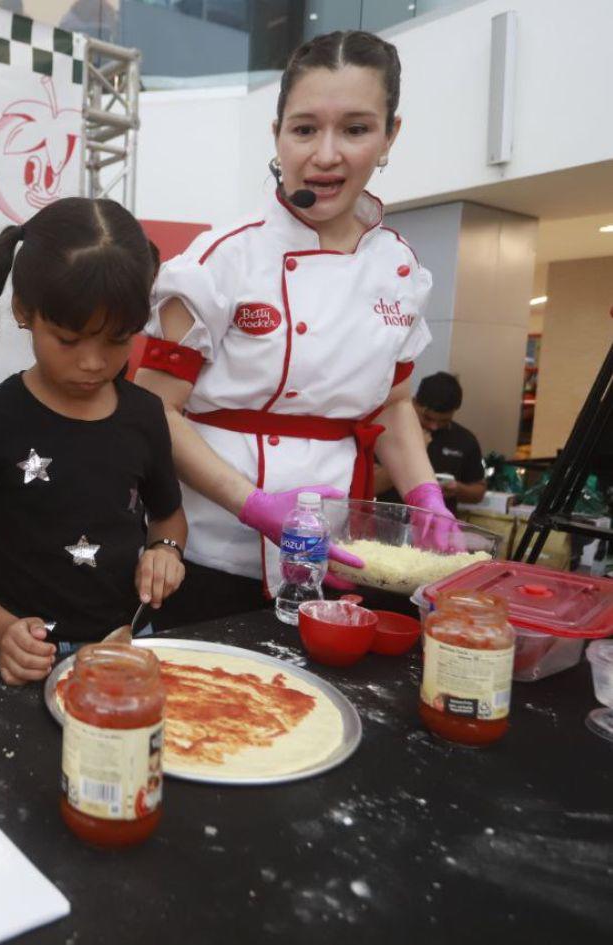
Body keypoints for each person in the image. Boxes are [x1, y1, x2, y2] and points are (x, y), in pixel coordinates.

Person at [134, 30, 456, 625]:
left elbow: (392, 406)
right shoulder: (216, 263)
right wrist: (253, 505)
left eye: (356, 129)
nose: (326, 155)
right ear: (277, 134)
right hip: (212, 556)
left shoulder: (402, 269)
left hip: (342, 554)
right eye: (304, 129)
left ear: (390, 135)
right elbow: (152, 410)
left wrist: (424, 496)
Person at [0, 198, 187, 687]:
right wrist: (3, 632)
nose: (92, 362)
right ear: (25, 312)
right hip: (24, 664)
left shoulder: (145, 414)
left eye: (116, 340)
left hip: (130, 647)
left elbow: (168, 517)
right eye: (68, 340)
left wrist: (167, 551)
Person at [378, 371, 487, 512]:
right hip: (389, 522)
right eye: (428, 418)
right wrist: (414, 452)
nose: (434, 426)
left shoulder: (465, 440)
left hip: (437, 526)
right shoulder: (389, 430)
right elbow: (373, 485)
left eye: (444, 421)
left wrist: (458, 489)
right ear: (414, 403)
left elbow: (478, 491)